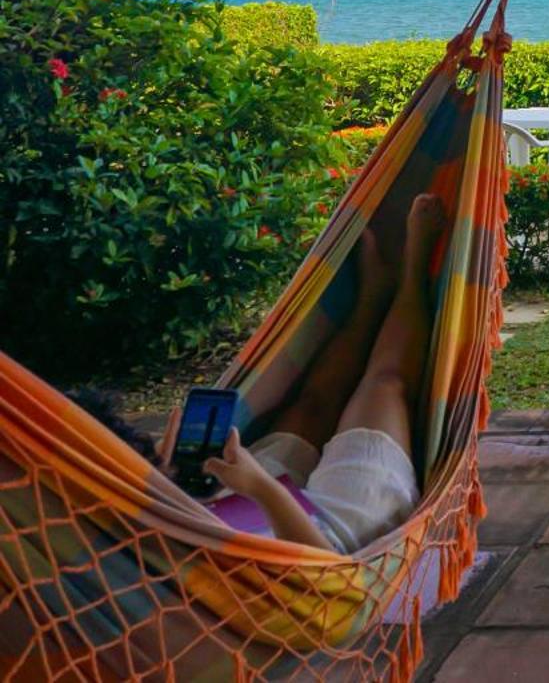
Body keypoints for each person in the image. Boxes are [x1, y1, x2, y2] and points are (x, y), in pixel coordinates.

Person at [72, 193, 444, 553]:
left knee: (312, 404)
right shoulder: (104, 564)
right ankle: (413, 273)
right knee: (385, 385)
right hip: (323, 539)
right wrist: (261, 489)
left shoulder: (78, 514)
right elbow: (321, 576)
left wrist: (163, 480)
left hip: (230, 507)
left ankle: (372, 297)